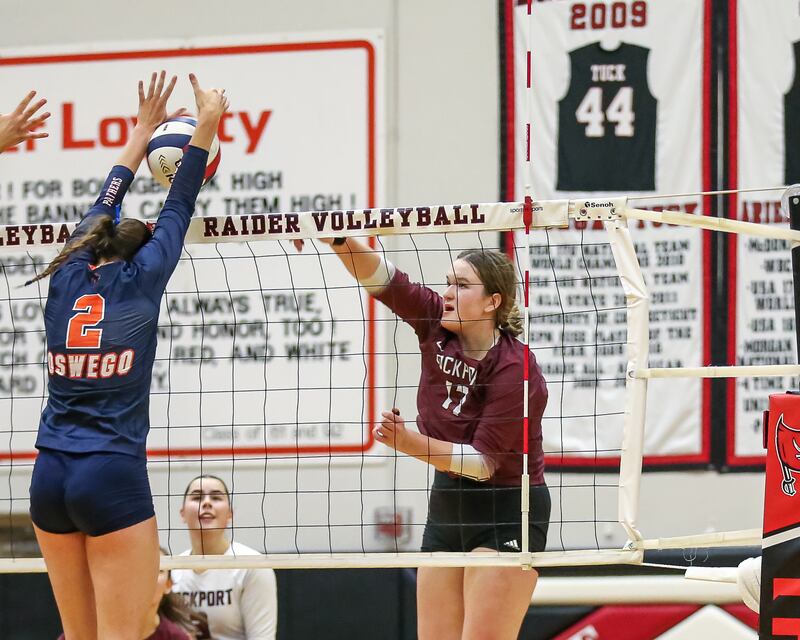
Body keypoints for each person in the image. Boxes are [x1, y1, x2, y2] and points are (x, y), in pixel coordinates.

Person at [28, 71, 229, 640]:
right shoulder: (143, 280)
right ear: (140, 250)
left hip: (48, 475)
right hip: (110, 477)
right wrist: (207, 124)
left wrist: (141, 133)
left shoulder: (65, 272)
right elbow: (181, 200)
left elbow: (104, 203)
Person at [303, 237, 550, 640]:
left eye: (461, 285)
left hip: (507, 507)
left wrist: (409, 442)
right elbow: (382, 280)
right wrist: (337, 238)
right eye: (447, 282)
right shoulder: (436, 323)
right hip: (448, 504)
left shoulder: (517, 370)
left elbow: (483, 464)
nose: (447, 293)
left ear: (492, 301)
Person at [172, 475, 278, 640]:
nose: (206, 503)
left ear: (230, 514)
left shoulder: (252, 565)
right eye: (197, 497)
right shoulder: (171, 570)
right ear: (182, 513)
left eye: (216, 497)